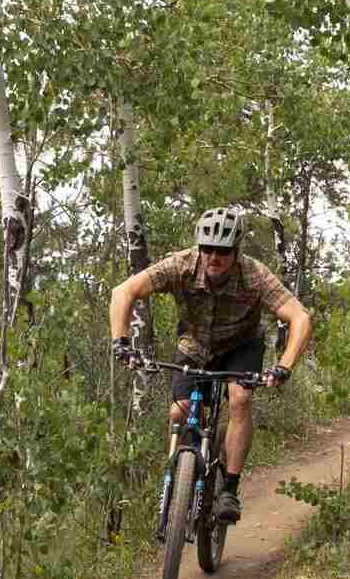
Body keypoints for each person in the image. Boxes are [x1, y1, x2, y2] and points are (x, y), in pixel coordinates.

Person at [109, 206, 312, 525]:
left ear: (236, 251)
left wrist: (283, 366)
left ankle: (229, 488)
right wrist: (121, 342)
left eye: (222, 251)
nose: (213, 257)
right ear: (199, 247)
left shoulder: (254, 274)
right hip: (195, 345)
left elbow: (299, 317)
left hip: (240, 345)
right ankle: (179, 480)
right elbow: (124, 291)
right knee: (180, 411)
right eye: (207, 249)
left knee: (241, 400)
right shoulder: (182, 264)